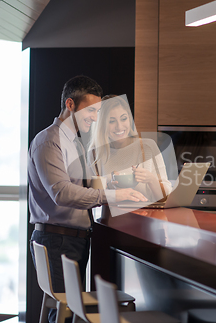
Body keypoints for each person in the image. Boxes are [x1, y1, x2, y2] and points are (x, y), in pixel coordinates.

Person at [27, 77, 146, 323]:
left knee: (66, 315)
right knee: (63, 316)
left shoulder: (76, 143)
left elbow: (86, 185)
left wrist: (124, 180)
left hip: (70, 241)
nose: (95, 118)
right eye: (90, 111)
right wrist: (110, 195)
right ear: (70, 104)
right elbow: (62, 192)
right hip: (58, 240)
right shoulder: (49, 141)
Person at [88, 95, 172, 202]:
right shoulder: (95, 154)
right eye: (111, 121)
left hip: (147, 216)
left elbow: (166, 197)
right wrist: (109, 187)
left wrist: (151, 179)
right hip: (111, 217)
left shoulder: (147, 146)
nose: (119, 127)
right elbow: (94, 199)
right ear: (101, 125)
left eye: (124, 119)